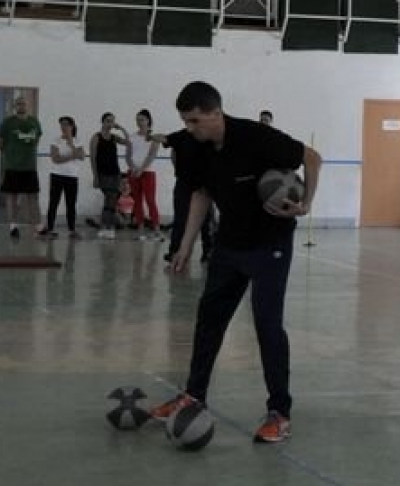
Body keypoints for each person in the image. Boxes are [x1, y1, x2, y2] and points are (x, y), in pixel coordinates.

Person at [153, 82, 322, 444]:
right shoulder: (197, 149)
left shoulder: (256, 136)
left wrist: (306, 202)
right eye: (185, 121)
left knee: (267, 325)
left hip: (270, 244)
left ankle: (279, 412)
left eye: (195, 120)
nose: (190, 128)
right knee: (208, 319)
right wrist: (184, 245)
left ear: (216, 113)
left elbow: (312, 157)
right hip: (229, 245)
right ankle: (193, 395)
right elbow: (201, 195)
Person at [162, 125, 215, 266]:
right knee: (180, 218)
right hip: (184, 183)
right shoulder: (181, 135)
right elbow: (167, 141)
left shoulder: (207, 136)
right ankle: (175, 251)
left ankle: (208, 251)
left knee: (206, 219)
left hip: (204, 184)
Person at [0, 95, 43, 238]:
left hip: (30, 167)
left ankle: (39, 226)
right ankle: (13, 226)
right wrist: (12, 154)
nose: (21, 106)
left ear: (27, 105)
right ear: (15, 107)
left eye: (23, 104)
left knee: (33, 197)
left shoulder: (34, 122)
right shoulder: (7, 123)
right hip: (12, 167)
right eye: (18, 104)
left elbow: (37, 140)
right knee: (12, 197)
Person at [41, 116, 85, 237]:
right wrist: (72, 156)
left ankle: (72, 229)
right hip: (57, 176)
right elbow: (56, 159)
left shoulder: (77, 141)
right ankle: (50, 228)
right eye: (61, 125)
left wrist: (71, 144)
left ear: (72, 126)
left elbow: (81, 156)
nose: (63, 127)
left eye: (66, 124)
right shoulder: (56, 140)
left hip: (72, 177)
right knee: (53, 203)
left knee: (71, 204)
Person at [125, 108, 162, 240]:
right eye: (137, 120)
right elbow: (128, 156)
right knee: (137, 201)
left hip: (148, 172)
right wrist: (133, 168)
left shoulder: (154, 137)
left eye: (141, 119)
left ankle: (157, 229)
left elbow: (152, 155)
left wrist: (142, 169)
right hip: (133, 172)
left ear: (148, 121)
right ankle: (140, 229)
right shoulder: (132, 137)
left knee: (150, 200)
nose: (139, 122)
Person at [89, 112, 127, 236]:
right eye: (108, 121)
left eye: (112, 121)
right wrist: (95, 176)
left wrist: (121, 128)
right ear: (103, 122)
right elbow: (93, 157)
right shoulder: (96, 137)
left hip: (115, 173)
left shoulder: (114, 137)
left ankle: (108, 225)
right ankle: (106, 226)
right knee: (110, 198)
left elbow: (128, 141)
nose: (111, 123)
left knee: (112, 200)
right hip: (103, 174)